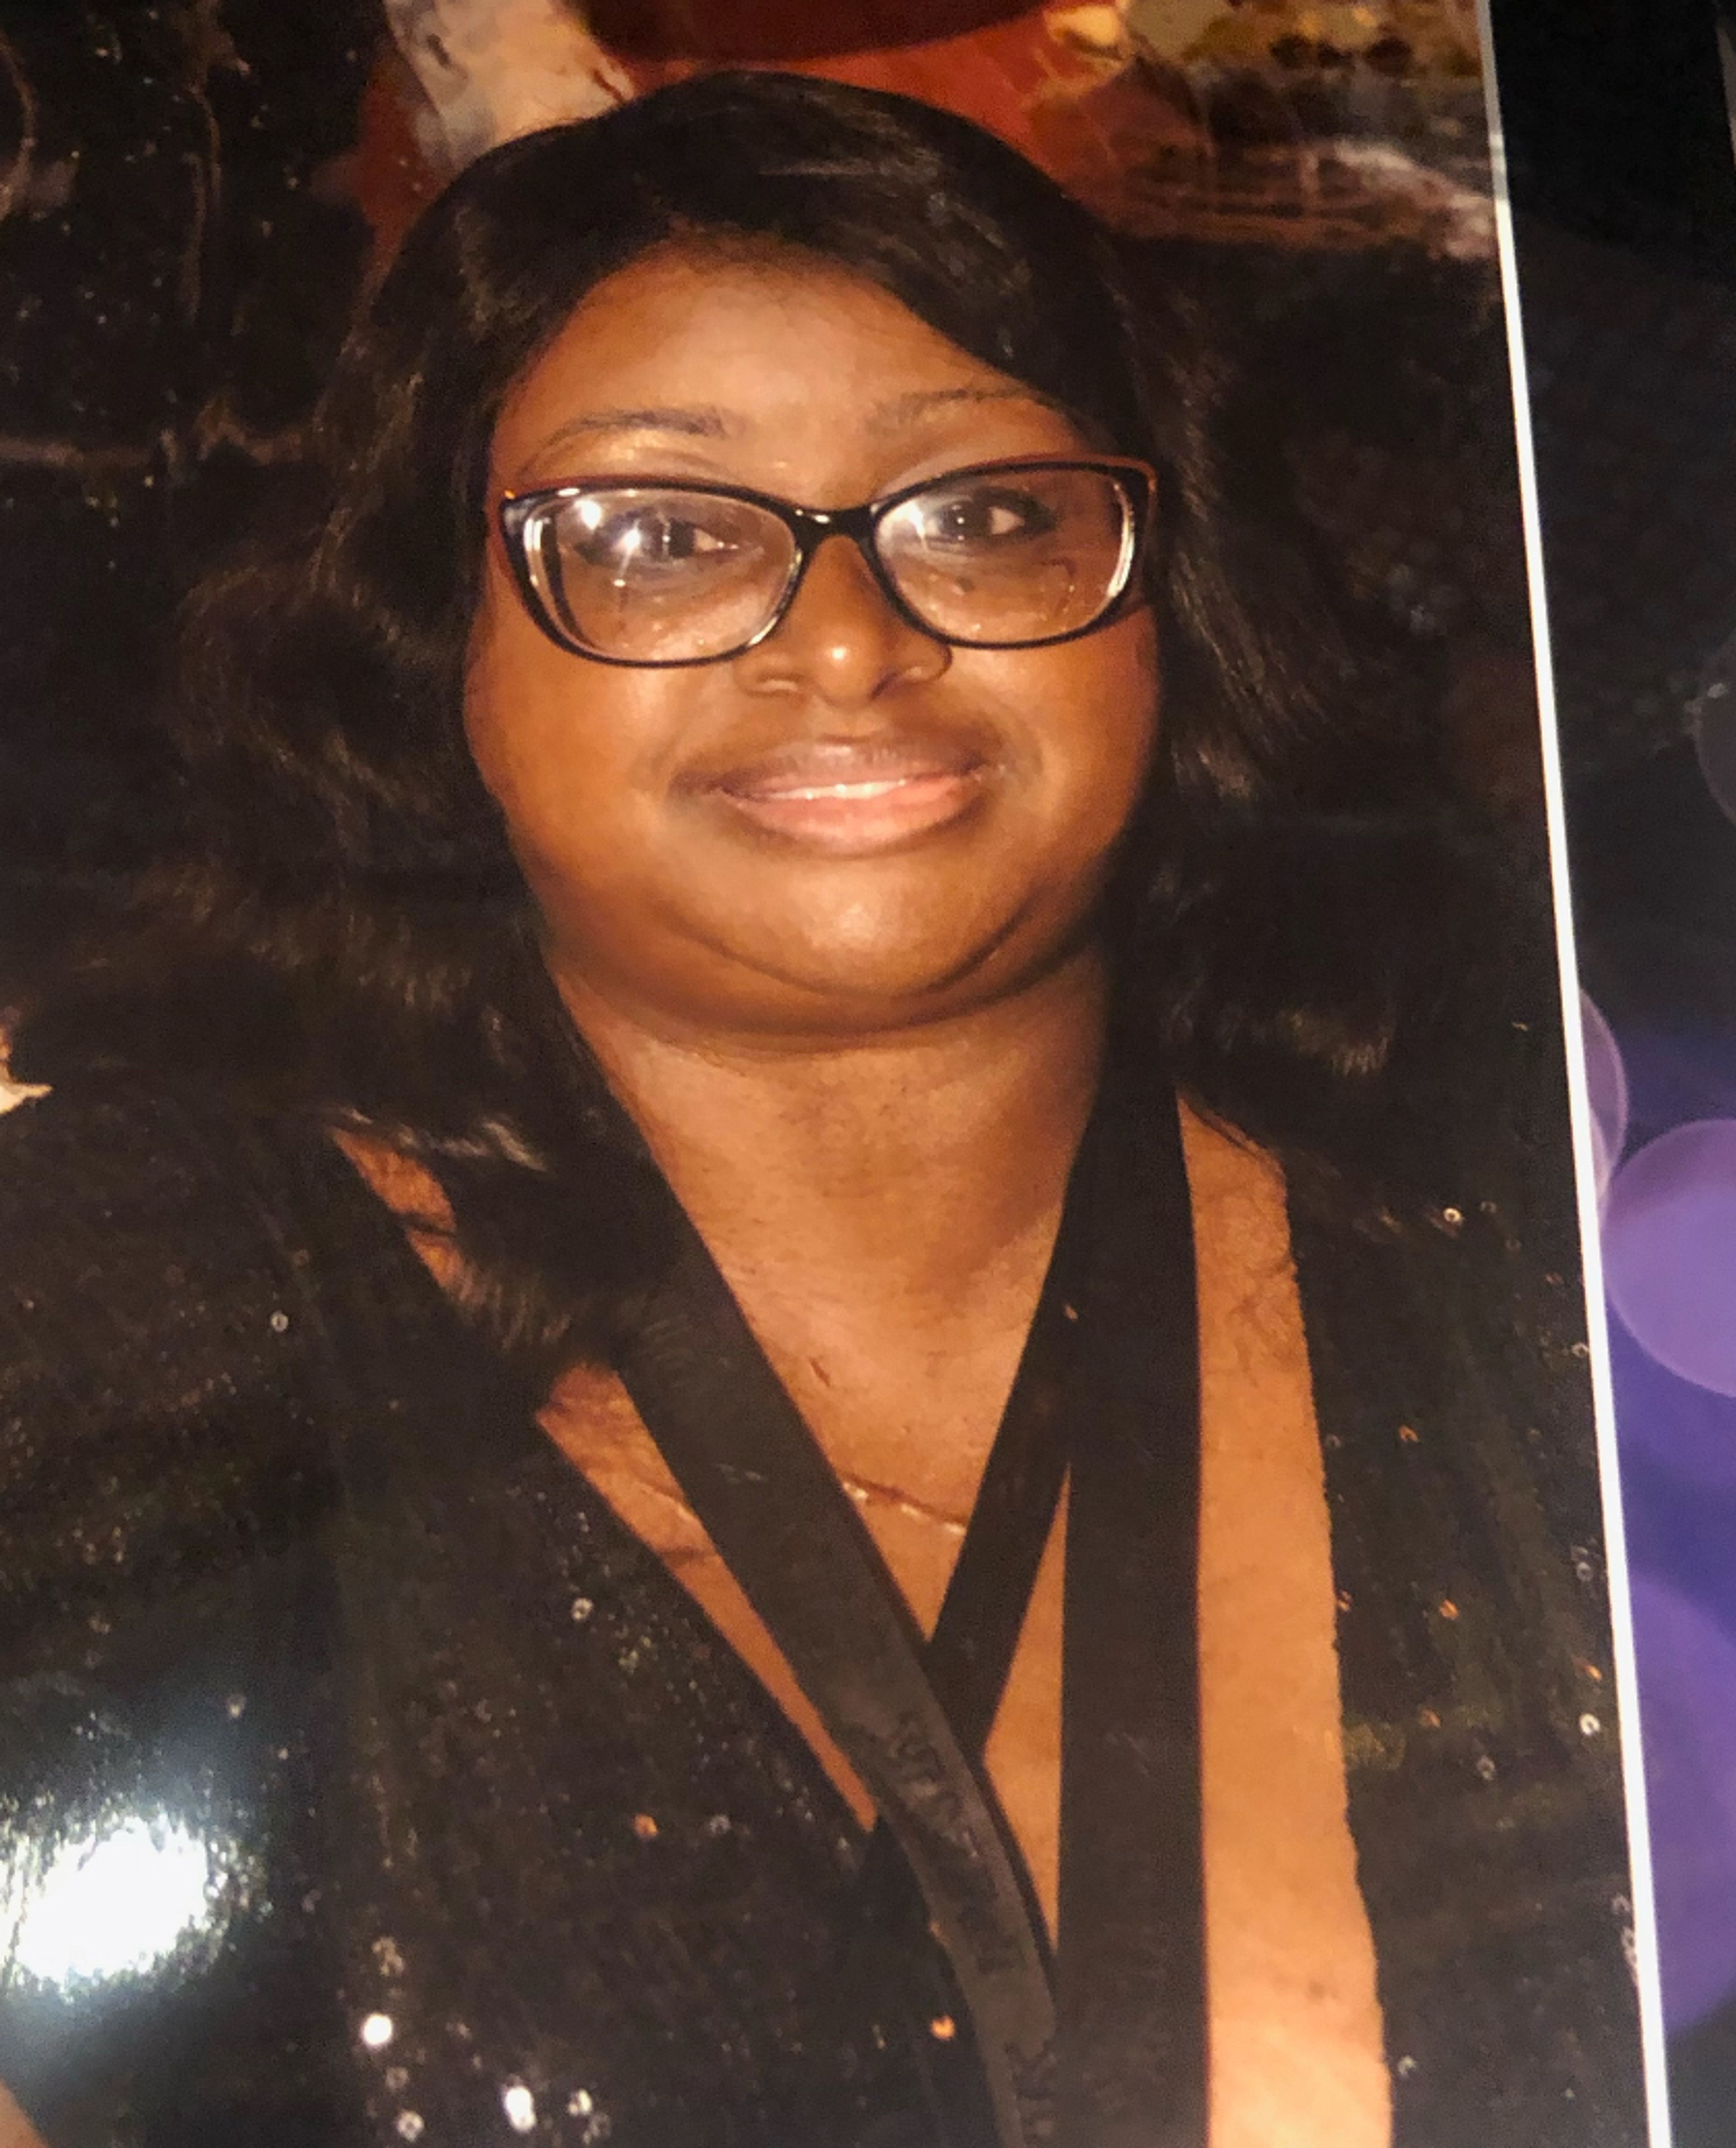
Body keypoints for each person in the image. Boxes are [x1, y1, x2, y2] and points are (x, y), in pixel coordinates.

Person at [0, 70, 1643, 2148]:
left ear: (1170, 602)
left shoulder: (1544, 1274)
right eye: (660, 537)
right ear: (439, 646)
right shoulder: (103, 1309)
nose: (853, 647)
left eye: (987, 514)